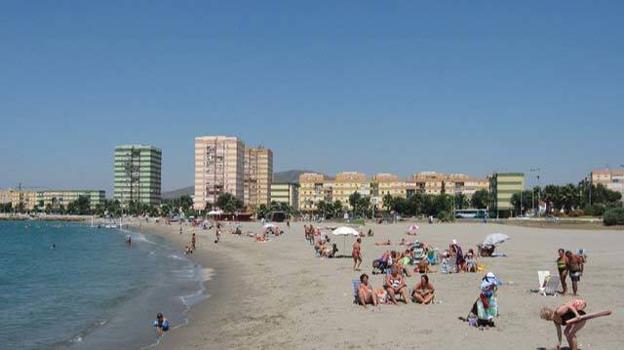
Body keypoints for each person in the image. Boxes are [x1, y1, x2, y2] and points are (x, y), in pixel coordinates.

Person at [540, 299, 611, 350]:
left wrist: (577, 315)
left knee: (571, 333)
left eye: (547, 318)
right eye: (547, 319)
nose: (548, 320)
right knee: (566, 332)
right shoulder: (555, 321)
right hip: (572, 321)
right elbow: (559, 332)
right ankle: (572, 348)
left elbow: (569, 306)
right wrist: (559, 343)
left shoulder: (558, 311)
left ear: (549, 314)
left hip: (579, 317)